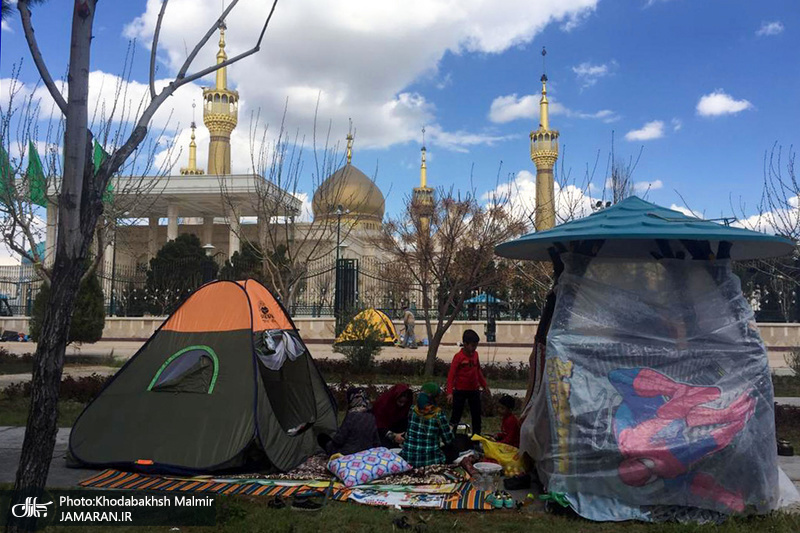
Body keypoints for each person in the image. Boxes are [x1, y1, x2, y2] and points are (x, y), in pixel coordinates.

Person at [609, 367, 756, 512]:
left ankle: (680, 391)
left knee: (619, 379)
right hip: (673, 414)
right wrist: (727, 498)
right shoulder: (671, 470)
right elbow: (699, 472)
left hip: (654, 408)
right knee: (673, 417)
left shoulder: (632, 441)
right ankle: (686, 394)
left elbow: (667, 419)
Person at [446, 329, 489, 435]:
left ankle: (476, 437)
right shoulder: (458, 357)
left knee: (476, 415)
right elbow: (451, 375)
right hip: (460, 391)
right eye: (472, 345)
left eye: (476, 346)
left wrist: (484, 385)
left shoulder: (475, 355)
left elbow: (478, 370)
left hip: (474, 390)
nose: (474, 348)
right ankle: (451, 436)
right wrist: (450, 392)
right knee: (456, 414)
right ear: (465, 344)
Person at [401, 383, 455, 467]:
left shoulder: (412, 410)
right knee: (453, 451)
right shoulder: (438, 414)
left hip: (408, 459)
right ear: (434, 398)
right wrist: (450, 429)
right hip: (430, 462)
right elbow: (448, 440)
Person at [318, 387, 380, 456]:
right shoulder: (371, 417)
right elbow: (376, 442)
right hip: (366, 455)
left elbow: (339, 440)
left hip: (347, 454)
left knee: (322, 437)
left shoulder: (351, 416)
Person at [373, 384, 413, 448]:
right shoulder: (382, 405)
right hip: (381, 433)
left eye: (404, 403)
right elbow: (378, 424)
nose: (402, 405)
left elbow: (404, 421)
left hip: (397, 433)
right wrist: (393, 435)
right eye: (400, 402)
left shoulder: (405, 407)